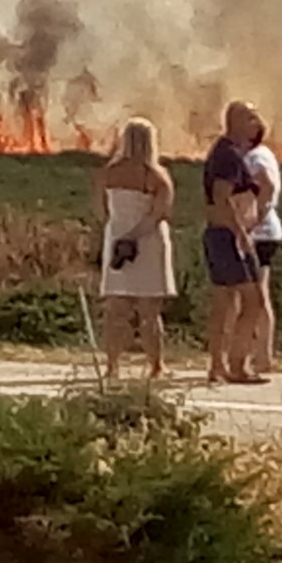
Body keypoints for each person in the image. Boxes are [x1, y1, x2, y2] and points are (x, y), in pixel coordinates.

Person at [92, 117, 176, 381]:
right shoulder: (156, 176)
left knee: (116, 308)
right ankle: (156, 366)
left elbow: (101, 207)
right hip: (148, 242)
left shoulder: (109, 172)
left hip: (116, 237)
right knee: (149, 310)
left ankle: (112, 366)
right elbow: (159, 213)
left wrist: (121, 232)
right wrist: (135, 235)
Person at [203, 100, 267, 384]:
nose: (256, 125)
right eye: (251, 119)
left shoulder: (228, 153)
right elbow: (221, 196)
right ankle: (235, 364)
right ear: (236, 122)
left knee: (227, 302)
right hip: (228, 235)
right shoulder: (227, 156)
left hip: (225, 233)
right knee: (251, 299)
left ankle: (221, 364)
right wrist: (240, 232)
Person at [245, 116, 282, 375]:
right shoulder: (264, 153)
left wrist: (253, 220)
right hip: (266, 232)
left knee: (256, 295)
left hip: (259, 234)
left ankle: (262, 355)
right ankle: (256, 353)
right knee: (256, 293)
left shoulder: (255, 158)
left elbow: (267, 186)